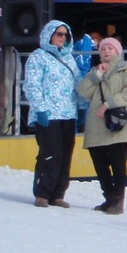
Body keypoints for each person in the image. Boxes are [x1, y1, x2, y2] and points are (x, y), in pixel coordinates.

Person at [22, 20, 82, 208]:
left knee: (65, 155)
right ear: (49, 35)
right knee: (50, 154)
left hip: (68, 114)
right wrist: (40, 109)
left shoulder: (69, 58)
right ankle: (43, 193)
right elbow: (32, 84)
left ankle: (58, 194)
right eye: (59, 34)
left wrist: (84, 107)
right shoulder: (38, 57)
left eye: (66, 35)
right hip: (48, 114)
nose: (63, 38)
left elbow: (78, 85)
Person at [76, 37, 127, 215]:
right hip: (97, 124)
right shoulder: (95, 71)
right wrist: (97, 74)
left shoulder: (126, 69)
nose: (106, 51)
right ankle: (109, 197)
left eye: (110, 48)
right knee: (99, 162)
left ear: (117, 51)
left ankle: (118, 200)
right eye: (103, 49)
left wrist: (107, 104)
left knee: (118, 162)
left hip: (119, 122)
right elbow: (83, 92)